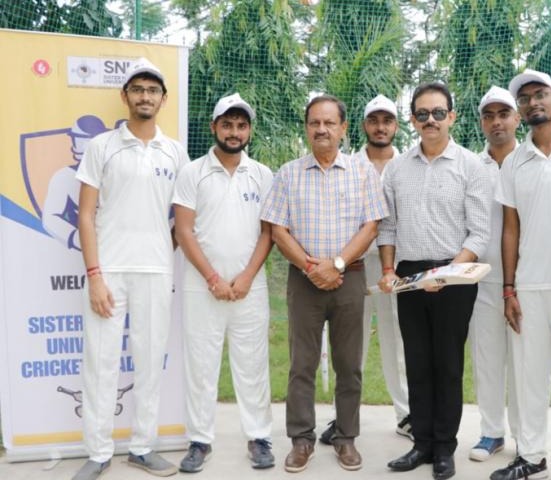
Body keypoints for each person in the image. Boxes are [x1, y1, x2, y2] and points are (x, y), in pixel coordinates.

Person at [72, 58, 189, 480]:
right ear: (125, 96)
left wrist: (161, 248)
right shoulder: (102, 146)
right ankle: (98, 452)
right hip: (109, 271)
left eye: (152, 90)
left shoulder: (175, 152)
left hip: (155, 272)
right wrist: (95, 275)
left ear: (163, 99)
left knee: (149, 362)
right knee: (100, 362)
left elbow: (183, 218)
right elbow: (86, 215)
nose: (145, 96)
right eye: (138, 89)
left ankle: (142, 447)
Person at [261, 94, 388, 473]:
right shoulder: (288, 173)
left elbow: (371, 226)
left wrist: (337, 264)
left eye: (329, 123)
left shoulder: (362, 172)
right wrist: (310, 267)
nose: (322, 129)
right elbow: (277, 229)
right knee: (301, 364)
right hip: (304, 281)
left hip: (349, 278)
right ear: (306, 128)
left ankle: (346, 438)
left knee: (349, 364)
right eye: (315, 122)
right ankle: (301, 440)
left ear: (343, 128)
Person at [380, 82, 491, 480]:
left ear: (452, 117)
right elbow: (388, 227)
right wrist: (388, 271)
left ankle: (444, 448)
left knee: (447, 364)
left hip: (454, 276)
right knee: (417, 362)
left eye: (438, 113)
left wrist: (445, 274)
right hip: (409, 276)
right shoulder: (396, 169)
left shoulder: (470, 166)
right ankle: (421, 444)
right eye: (423, 114)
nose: (431, 120)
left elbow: (479, 233)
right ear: (412, 120)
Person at [490, 69, 551, 480]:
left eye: (541, 94)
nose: (533, 102)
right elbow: (510, 229)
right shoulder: (514, 162)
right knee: (529, 378)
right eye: (525, 98)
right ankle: (531, 457)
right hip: (528, 285)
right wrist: (508, 289)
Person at [172, 93, 275, 473]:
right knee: (201, 365)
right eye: (227, 124)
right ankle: (199, 441)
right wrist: (213, 278)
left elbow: (268, 232)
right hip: (203, 286)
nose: (234, 132)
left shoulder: (262, 174)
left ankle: (259, 437)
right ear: (213, 127)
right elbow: (184, 231)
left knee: (252, 364)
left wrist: (246, 277)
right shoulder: (192, 172)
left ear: (249, 130)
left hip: (251, 287)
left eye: (241, 125)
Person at [319, 94, 411, 446]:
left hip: (396, 265)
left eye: (387, 121)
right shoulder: (349, 165)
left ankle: (407, 415)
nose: (380, 127)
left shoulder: (408, 165)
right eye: (374, 120)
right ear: (363, 126)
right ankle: (343, 416)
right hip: (354, 263)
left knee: (398, 338)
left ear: (396, 126)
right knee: (349, 342)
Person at [468, 86, 521, 462]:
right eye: (489, 116)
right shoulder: (472, 166)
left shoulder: (531, 160)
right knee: (487, 358)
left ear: (517, 118)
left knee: (524, 361)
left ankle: (525, 436)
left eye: (504, 114)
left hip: (525, 280)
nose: (496, 122)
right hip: (483, 279)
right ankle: (491, 433)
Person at [42, 115, 108, 250]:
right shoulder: (63, 177)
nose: (83, 145)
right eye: (78, 140)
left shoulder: (115, 174)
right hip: (79, 250)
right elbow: (50, 218)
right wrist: (76, 237)